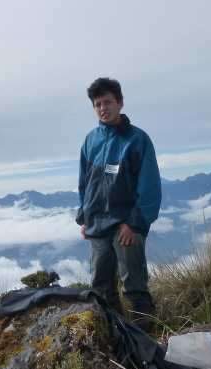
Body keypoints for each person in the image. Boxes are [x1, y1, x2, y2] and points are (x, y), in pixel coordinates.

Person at [76, 77, 162, 330]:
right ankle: (117, 336)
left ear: (120, 103)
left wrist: (134, 225)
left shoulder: (137, 140)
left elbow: (150, 189)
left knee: (134, 285)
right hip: (98, 226)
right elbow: (85, 184)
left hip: (126, 226)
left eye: (108, 102)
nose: (103, 108)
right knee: (101, 287)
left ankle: (145, 343)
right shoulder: (91, 140)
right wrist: (84, 218)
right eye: (98, 104)